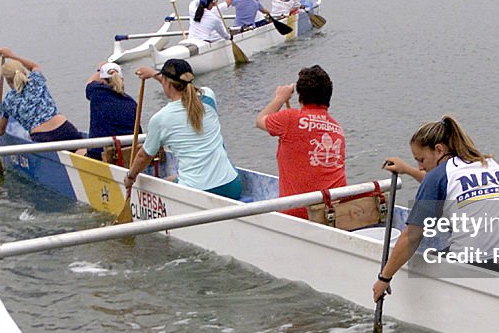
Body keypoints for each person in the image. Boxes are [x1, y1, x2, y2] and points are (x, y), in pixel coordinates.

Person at [372, 116, 499, 304]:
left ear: (439, 149)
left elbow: (412, 236)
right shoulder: (488, 163)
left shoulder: (438, 177)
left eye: (421, 159)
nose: (420, 167)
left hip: (479, 264)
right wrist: (407, 170)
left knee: (428, 257)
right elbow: (443, 188)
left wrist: (385, 277)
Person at [124, 59, 242, 200]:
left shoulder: (161, 119)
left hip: (196, 193)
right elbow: (182, 87)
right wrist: (154, 74)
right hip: (232, 185)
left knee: (164, 182)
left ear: (166, 82)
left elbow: (144, 156)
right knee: (177, 176)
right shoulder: (208, 96)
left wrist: (130, 176)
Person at [255, 65, 346, 219]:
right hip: (334, 212)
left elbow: (259, 121)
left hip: (299, 214)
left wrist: (280, 98)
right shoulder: (337, 129)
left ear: (300, 97)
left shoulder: (289, 118)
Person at [0, 47, 84, 151]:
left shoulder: (8, 101)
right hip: (65, 128)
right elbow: (34, 66)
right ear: (23, 72)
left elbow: (0, 129)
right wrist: (12, 56)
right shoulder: (36, 79)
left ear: (7, 80)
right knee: (81, 152)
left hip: (43, 138)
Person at [85, 61, 138, 160]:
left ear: (103, 80)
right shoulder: (132, 103)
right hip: (128, 156)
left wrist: (100, 69)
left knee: (79, 150)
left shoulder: (97, 93)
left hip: (99, 155)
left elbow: (90, 83)